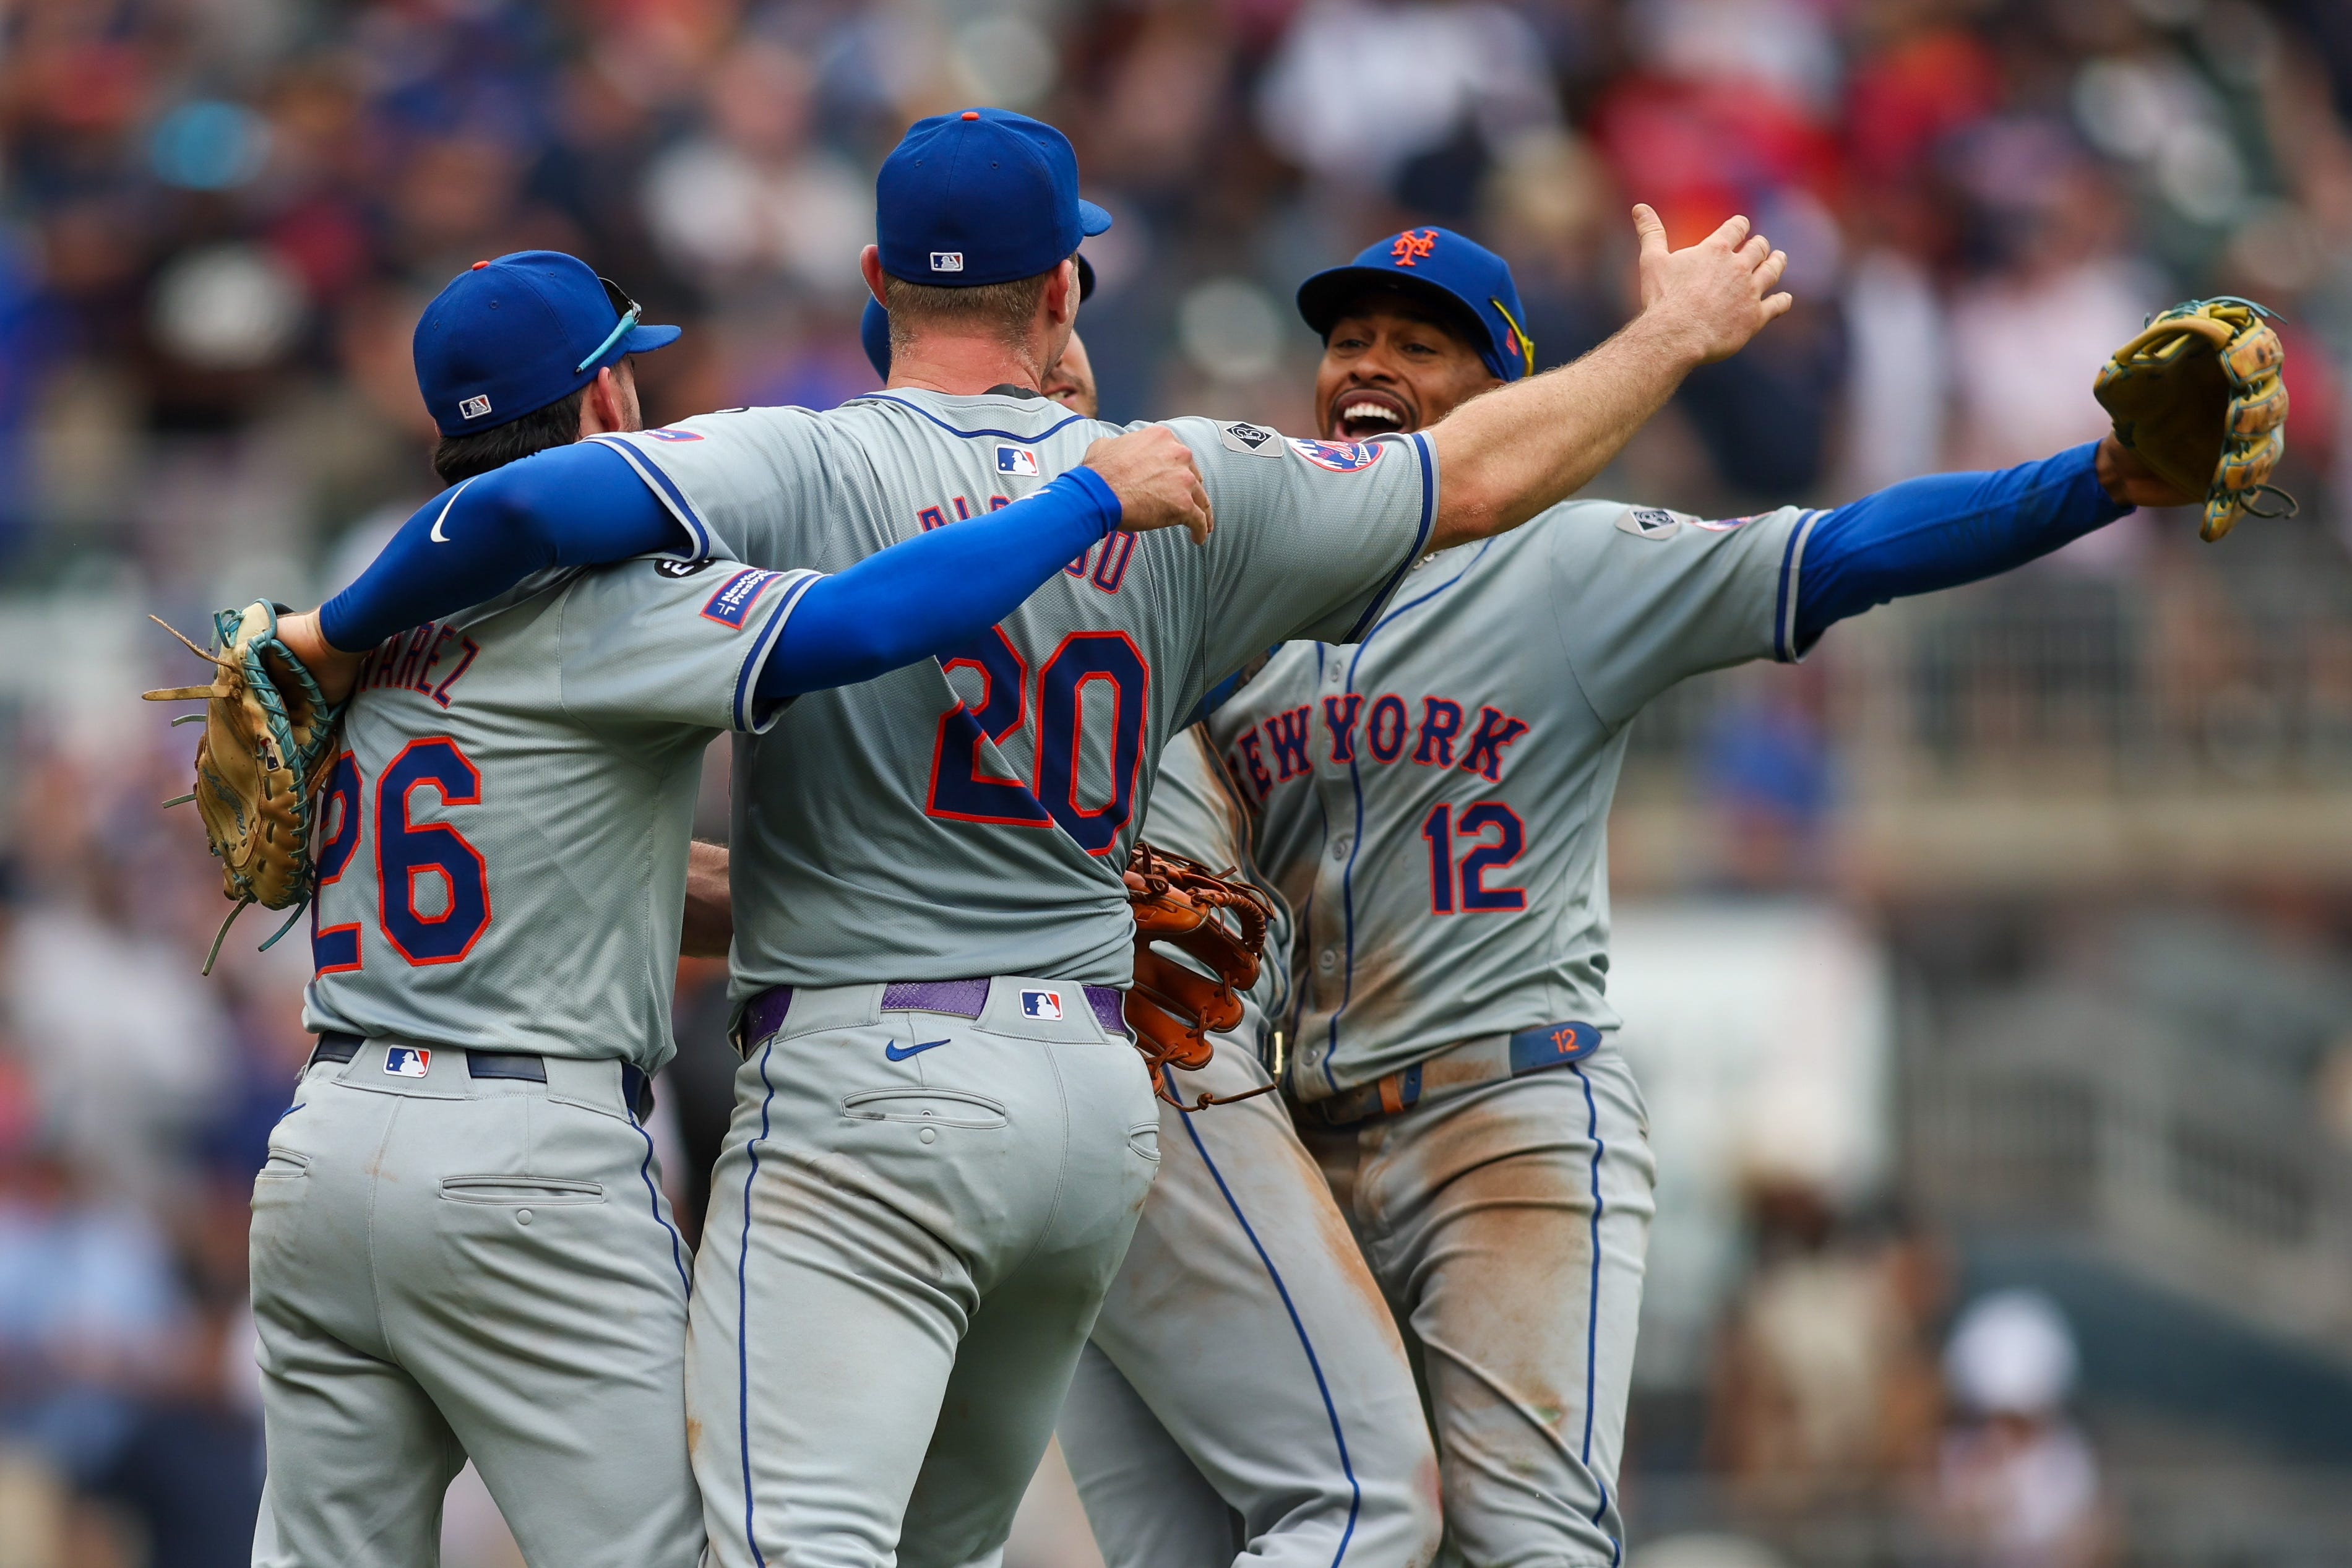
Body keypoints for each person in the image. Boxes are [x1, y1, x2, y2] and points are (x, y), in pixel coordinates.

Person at [272, 109, 1789, 1568]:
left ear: (874, 285)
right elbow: (1469, 481)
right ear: (1065, 284)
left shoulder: (769, 474)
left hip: (690, 1097)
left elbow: (571, 554)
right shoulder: (1178, 468)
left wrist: (321, 636)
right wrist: (1666, 337)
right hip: (1077, 1084)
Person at [1181, 226, 2199, 1566]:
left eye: (1419, 346)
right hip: (1301, 1143)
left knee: (1529, 1542)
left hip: (1504, 1124)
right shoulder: (1253, 594)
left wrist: (2096, 481)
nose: (1368, 367)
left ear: (1506, 393)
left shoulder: (1576, 562)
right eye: (1349, 339)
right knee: (1325, 1530)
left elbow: (1849, 551)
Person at [244, 249, 1210, 1568]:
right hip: (523, 1169)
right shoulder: (607, 599)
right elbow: (869, 620)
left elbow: (578, 871)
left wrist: (954, 916)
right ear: (601, 408)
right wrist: (1085, 499)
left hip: (325, 1147)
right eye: (628, 372)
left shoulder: (357, 624)